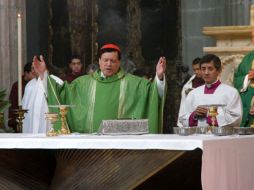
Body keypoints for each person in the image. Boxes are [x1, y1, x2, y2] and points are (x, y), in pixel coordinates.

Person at [26, 43, 166, 133]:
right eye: (105, 60)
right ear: (99, 61)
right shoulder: (83, 83)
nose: (109, 64)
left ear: (119, 63)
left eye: (113, 61)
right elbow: (61, 93)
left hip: (122, 146)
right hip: (91, 145)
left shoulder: (134, 84)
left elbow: (153, 93)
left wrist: (159, 77)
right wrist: (44, 74)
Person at [179, 54, 242, 127]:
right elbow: (183, 118)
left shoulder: (231, 93)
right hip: (199, 136)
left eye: (210, 69)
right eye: (203, 69)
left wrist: (209, 114)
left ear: (219, 71)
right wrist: (194, 115)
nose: (206, 72)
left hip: (222, 137)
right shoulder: (193, 94)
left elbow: (236, 118)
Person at [8, 62, 36, 131]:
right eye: (32, 73)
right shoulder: (17, 86)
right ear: (26, 73)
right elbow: (13, 103)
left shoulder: (36, 85)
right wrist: (14, 120)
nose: (35, 76)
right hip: (19, 120)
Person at [177, 57, 205, 127]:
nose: (196, 72)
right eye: (194, 70)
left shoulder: (208, 82)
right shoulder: (188, 85)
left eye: (198, 69)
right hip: (192, 116)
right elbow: (183, 103)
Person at [233, 51, 254, 127]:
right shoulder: (247, 58)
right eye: (252, 38)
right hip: (247, 108)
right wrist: (247, 77)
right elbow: (236, 80)